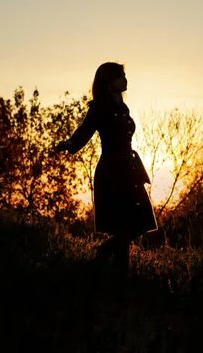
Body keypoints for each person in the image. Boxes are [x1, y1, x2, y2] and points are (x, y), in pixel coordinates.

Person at [55, 62, 157, 276]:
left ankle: (104, 253)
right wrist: (71, 144)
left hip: (130, 169)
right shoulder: (100, 107)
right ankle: (120, 277)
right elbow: (86, 130)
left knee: (139, 222)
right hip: (112, 172)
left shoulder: (122, 106)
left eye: (124, 75)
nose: (125, 80)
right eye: (121, 76)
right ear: (109, 82)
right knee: (123, 226)